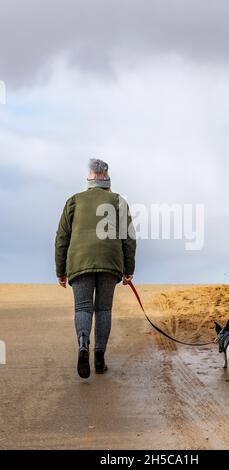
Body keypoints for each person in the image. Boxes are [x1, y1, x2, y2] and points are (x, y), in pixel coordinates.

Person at [55, 158, 136, 378]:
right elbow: (128, 238)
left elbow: (62, 237)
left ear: (90, 176)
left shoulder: (74, 201)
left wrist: (60, 270)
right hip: (110, 262)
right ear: (106, 176)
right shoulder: (118, 201)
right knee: (103, 309)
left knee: (83, 308)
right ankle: (99, 358)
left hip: (79, 261)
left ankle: (83, 344)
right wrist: (129, 269)